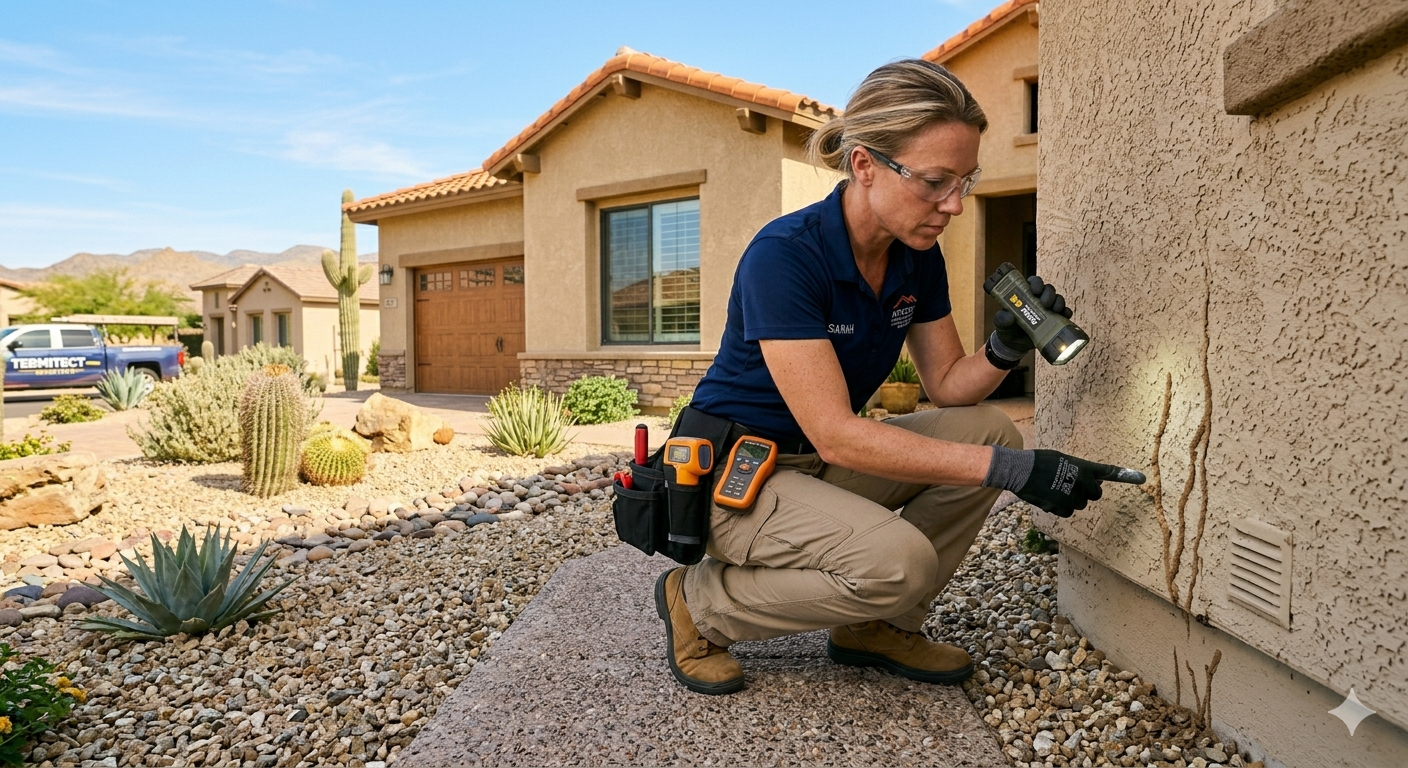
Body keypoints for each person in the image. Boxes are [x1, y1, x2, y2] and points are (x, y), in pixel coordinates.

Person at [655, 59, 1138, 696]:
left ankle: (875, 625)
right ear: (864, 165)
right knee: (900, 560)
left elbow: (946, 386)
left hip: (818, 462)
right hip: (739, 475)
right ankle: (701, 601)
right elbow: (838, 435)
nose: (956, 206)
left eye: (966, 181)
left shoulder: (915, 256)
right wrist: (1015, 479)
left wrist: (1003, 346)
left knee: (992, 433)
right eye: (936, 182)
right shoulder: (786, 256)